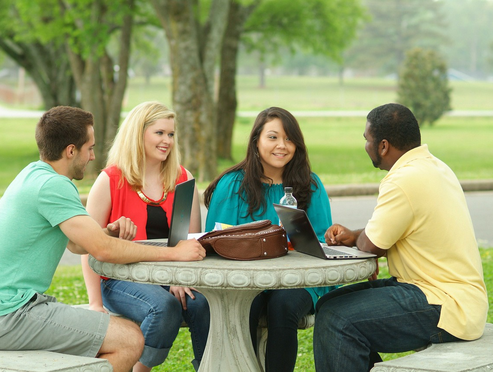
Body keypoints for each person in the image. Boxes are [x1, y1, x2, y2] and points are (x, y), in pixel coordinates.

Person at [0, 106, 206, 372]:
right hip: (7, 317)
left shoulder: (35, 174)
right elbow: (102, 252)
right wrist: (174, 253)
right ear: (70, 151)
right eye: (89, 148)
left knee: (126, 335)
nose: (92, 156)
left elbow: (79, 243)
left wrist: (106, 233)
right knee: (128, 340)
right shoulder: (54, 186)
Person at [313, 103, 488, 372]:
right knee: (329, 305)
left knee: (338, 319)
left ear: (383, 146)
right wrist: (355, 235)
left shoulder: (403, 179)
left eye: (367, 140)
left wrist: (360, 238)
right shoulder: (434, 167)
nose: (365, 146)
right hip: (451, 296)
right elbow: (393, 230)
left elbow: (372, 245)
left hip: (446, 304)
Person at [203, 106, 336, 372]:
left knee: (283, 305)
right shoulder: (232, 185)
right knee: (244, 307)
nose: (282, 146)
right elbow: (216, 241)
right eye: (273, 137)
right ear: (256, 141)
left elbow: (321, 242)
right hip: (243, 280)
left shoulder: (310, 185)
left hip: (297, 280)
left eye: (289, 139)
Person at [81, 101, 210, 372]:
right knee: (164, 307)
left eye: (171, 134)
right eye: (159, 133)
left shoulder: (183, 179)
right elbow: (88, 246)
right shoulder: (110, 180)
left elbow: (192, 241)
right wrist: (94, 303)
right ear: (138, 133)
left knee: (201, 305)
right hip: (119, 279)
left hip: (170, 277)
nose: (167, 141)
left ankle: (207, 367)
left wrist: (180, 277)